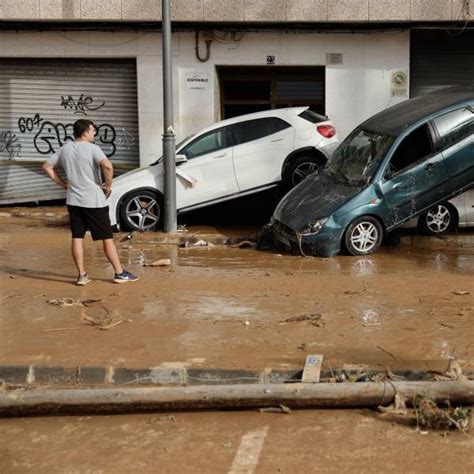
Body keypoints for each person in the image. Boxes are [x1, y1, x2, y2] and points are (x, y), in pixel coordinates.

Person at [42, 119, 138, 285]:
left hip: (73, 200)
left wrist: (62, 184)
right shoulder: (93, 148)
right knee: (107, 238)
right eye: (93, 131)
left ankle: (82, 275)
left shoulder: (65, 149)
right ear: (85, 132)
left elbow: (47, 166)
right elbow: (107, 167)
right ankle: (119, 273)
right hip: (94, 201)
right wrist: (108, 187)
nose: (95, 134)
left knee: (77, 237)